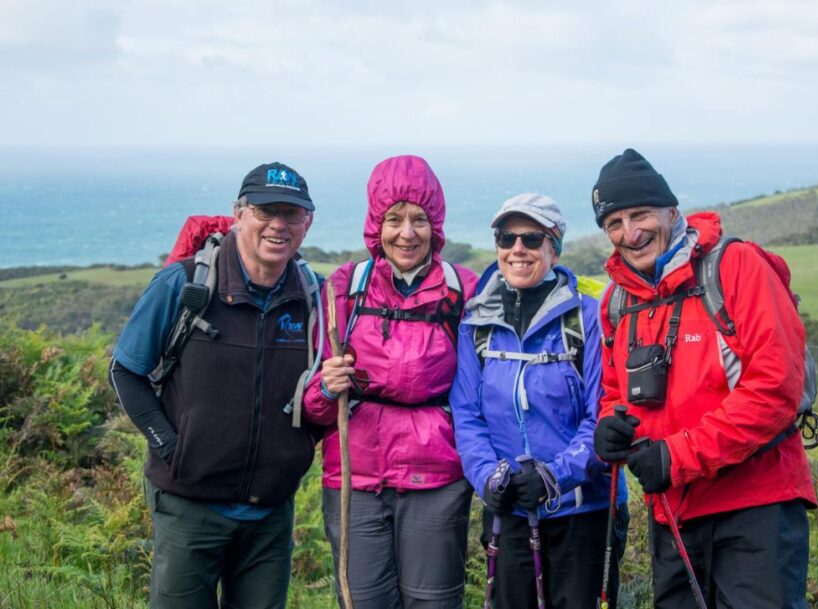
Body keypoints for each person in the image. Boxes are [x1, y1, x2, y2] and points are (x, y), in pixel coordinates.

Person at [590, 149, 818, 609]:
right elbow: (616, 392)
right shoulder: (617, 301)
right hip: (672, 513)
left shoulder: (734, 267)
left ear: (672, 211)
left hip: (756, 506)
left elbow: (775, 389)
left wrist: (677, 456)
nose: (629, 234)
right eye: (614, 223)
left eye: (640, 215)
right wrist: (609, 429)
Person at [109, 161, 321, 609]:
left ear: (308, 222)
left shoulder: (315, 297)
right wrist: (170, 446)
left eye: (291, 214)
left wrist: (299, 446)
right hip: (190, 506)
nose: (278, 225)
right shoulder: (185, 283)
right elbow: (125, 370)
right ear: (238, 214)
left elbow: (328, 386)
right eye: (265, 212)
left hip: (270, 512)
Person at [302, 155, 478, 609]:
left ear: (435, 225)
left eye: (419, 219)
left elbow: (483, 388)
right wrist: (325, 387)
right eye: (394, 219)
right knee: (362, 602)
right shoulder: (344, 288)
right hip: (354, 476)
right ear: (375, 223)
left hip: (437, 474)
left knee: (433, 602)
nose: (407, 233)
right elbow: (314, 406)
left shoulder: (464, 291)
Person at [449, 193, 628, 609]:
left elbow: (599, 410)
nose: (517, 249)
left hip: (583, 512)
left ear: (554, 246)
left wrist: (555, 476)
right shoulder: (476, 322)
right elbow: (467, 413)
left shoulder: (587, 317)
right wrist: (488, 478)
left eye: (531, 238)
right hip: (508, 508)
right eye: (506, 237)